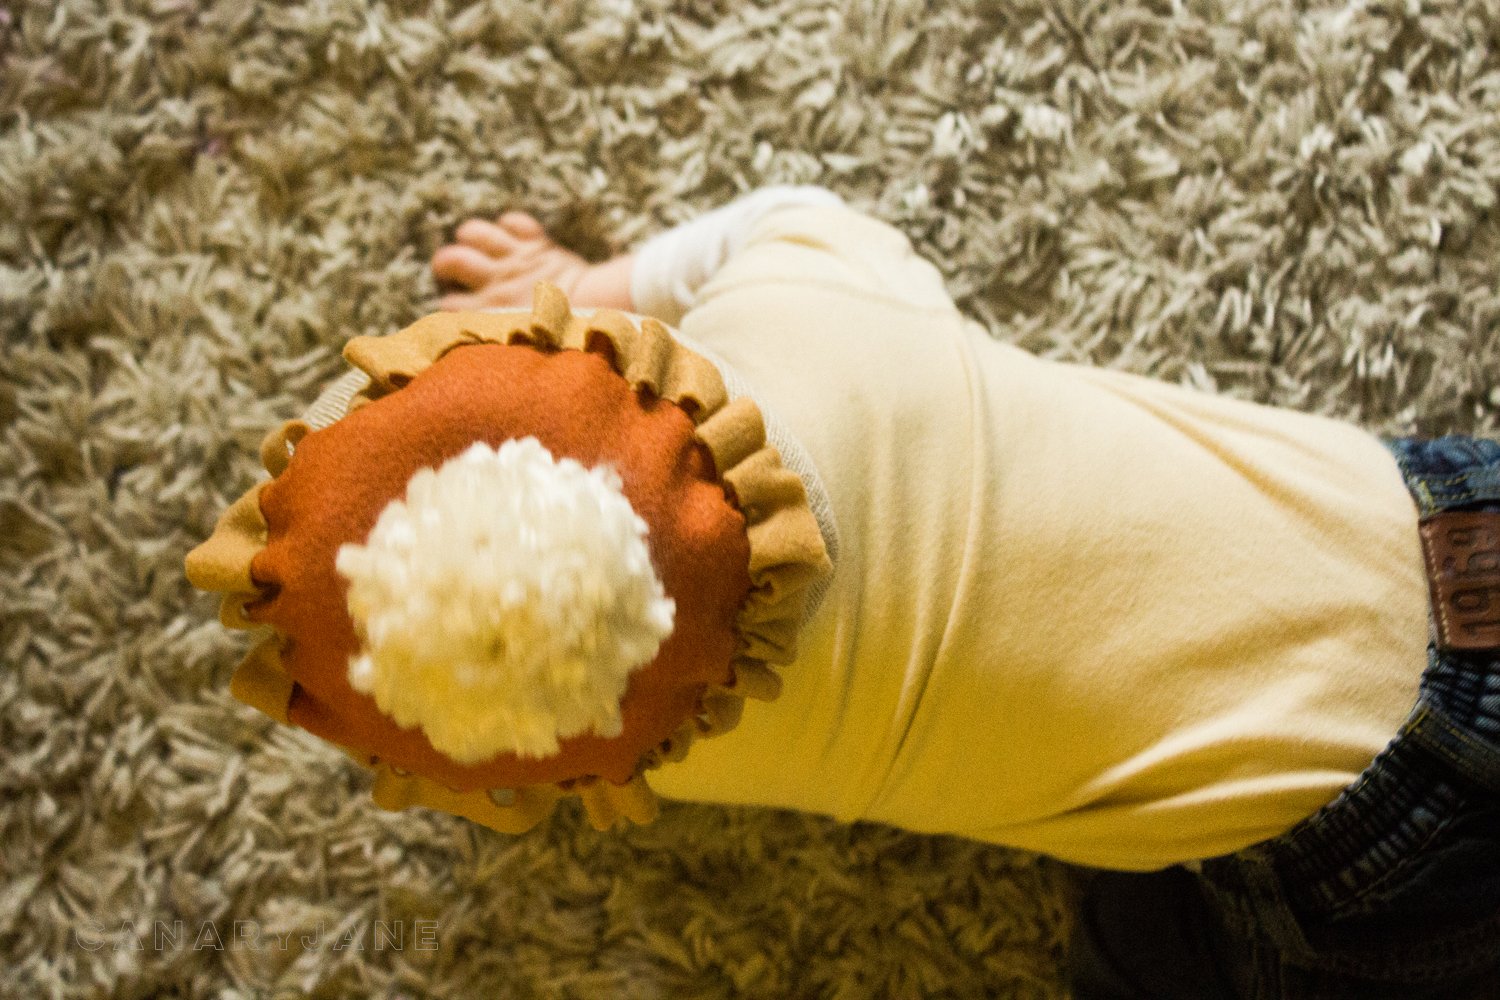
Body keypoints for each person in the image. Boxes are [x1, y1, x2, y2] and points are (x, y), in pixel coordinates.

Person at [423, 186, 1500, 999]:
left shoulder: (659, 743)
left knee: (1140, 938)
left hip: (1381, 855)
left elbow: (488, 765)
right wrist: (596, 278)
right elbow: (788, 211)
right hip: (1455, 528)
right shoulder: (810, 294)